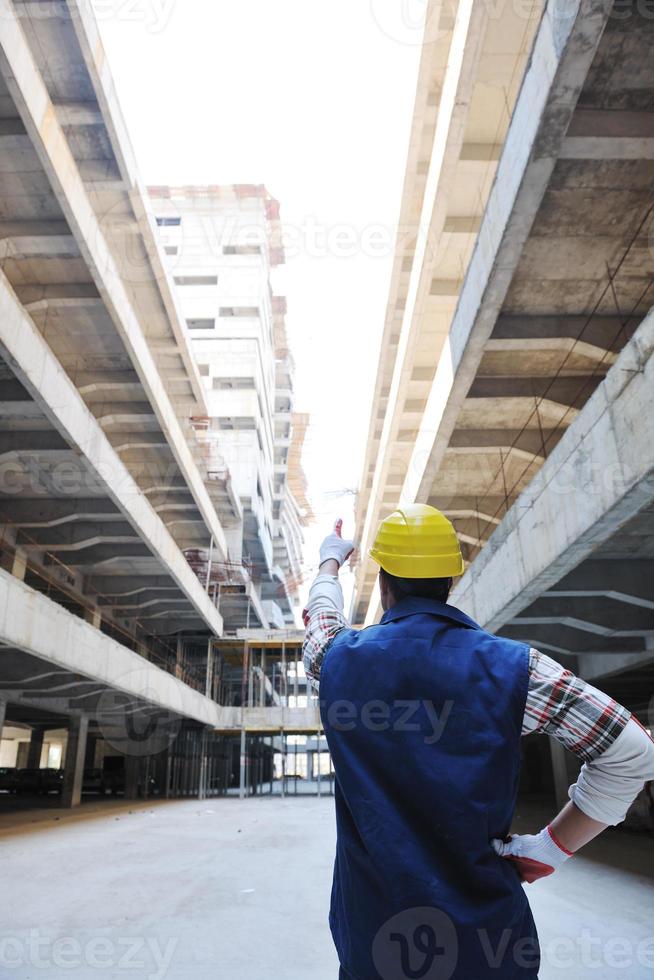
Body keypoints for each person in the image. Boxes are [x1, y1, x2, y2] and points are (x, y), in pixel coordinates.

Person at [302, 506, 654, 980]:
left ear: (384, 585)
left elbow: (321, 621)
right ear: (450, 580)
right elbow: (633, 752)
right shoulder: (518, 668)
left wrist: (330, 562)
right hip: (489, 948)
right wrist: (550, 847)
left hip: (374, 942)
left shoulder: (338, 660)